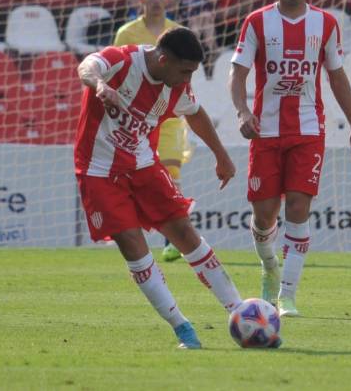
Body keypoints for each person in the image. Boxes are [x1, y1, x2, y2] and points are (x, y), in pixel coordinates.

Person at [75, 27, 244, 349]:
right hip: (98, 171)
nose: (187, 79)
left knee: (184, 232)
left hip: (143, 166)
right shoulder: (122, 61)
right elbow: (87, 66)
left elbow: (196, 114)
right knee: (132, 245)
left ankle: (239, 313)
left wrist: (221, 155)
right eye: (184, 71)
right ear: (163, 59)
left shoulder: (177, 86)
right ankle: (183, 328)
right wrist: (99, 85)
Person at [229, 0, 351, 317]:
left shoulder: (325, 24)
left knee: (299, 208)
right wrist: (242, 110)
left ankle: (287, 295)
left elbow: (337, 76)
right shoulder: (257, 22)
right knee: (263, 215)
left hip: (308, 130)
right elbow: (238, 72)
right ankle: (270, 266)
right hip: (266, 131)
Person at [115, 0, 189, 262]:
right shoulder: (126, 33)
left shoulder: (177, 32)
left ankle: (173, 239)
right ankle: (136, 236)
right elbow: (117, 69)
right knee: (138, 180)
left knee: (171, 175)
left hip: (167, 117)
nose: (156, 0)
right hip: (135, 119)